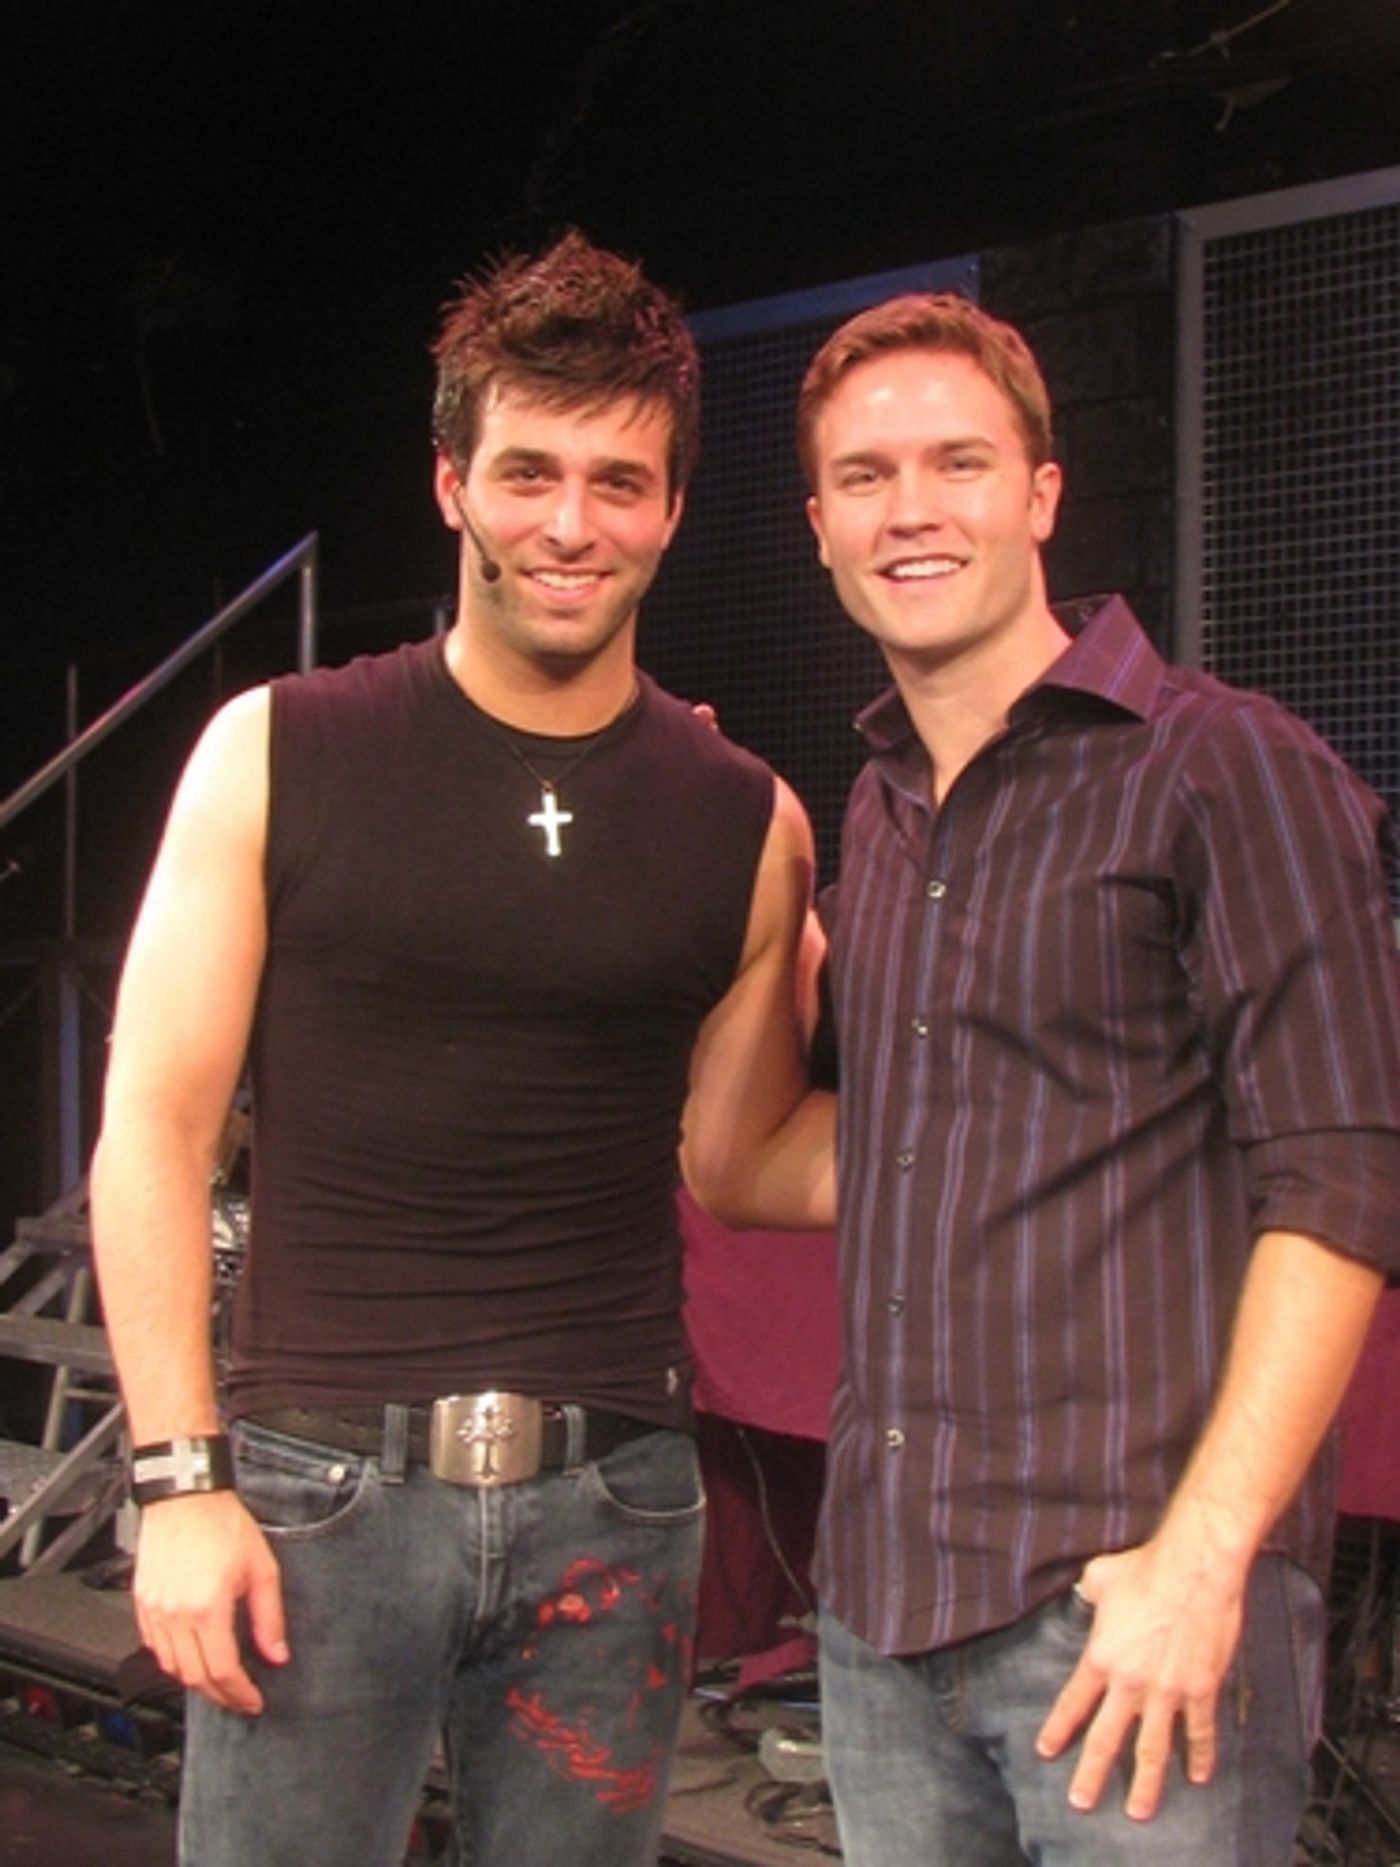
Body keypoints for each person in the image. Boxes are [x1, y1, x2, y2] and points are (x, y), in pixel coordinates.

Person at [88, 229, 828, 1867]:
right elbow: (152, 1132)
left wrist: (1037, 1127)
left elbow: (740, 1158)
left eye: (619, 483)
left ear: (674, 508)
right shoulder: (277, 751)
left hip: (617, 1513)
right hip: (313, 1498)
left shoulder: (749, 822)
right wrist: (178, 1480)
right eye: (528, 474)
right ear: (451, 485)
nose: (571, 526)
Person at [793, 292, 1400, 1863]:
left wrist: (1205, 1561)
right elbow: (876, 1151)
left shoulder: (1223, 764)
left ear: (1043, 494)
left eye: (958, 463)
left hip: (1131, 1620)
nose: (911, 509)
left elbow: (1345, 1173)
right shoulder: (878, 813)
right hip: (884, 1623)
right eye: (864, 477)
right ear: (819, 526)